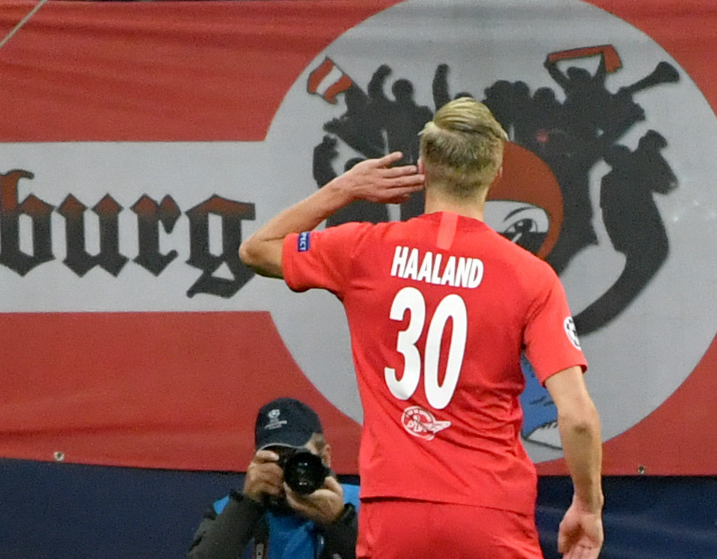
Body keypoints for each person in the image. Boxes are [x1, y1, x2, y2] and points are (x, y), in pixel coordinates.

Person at [239, 98, 603, 559]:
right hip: (489, 512)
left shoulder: (364, 250)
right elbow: (578, 418)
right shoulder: (530, 277)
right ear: (495, 172)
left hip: (394, 513)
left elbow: (256, 249)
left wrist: (345, 188)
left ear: (422, 165)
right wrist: (587, 507)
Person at [186, 397, 360, 559]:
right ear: (255, 462)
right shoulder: (227, 512)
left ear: (325, 458)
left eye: (297, 458)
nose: (286, 470)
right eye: (276, 459)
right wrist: (247, 507)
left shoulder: (360, 505)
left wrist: (339, 522)